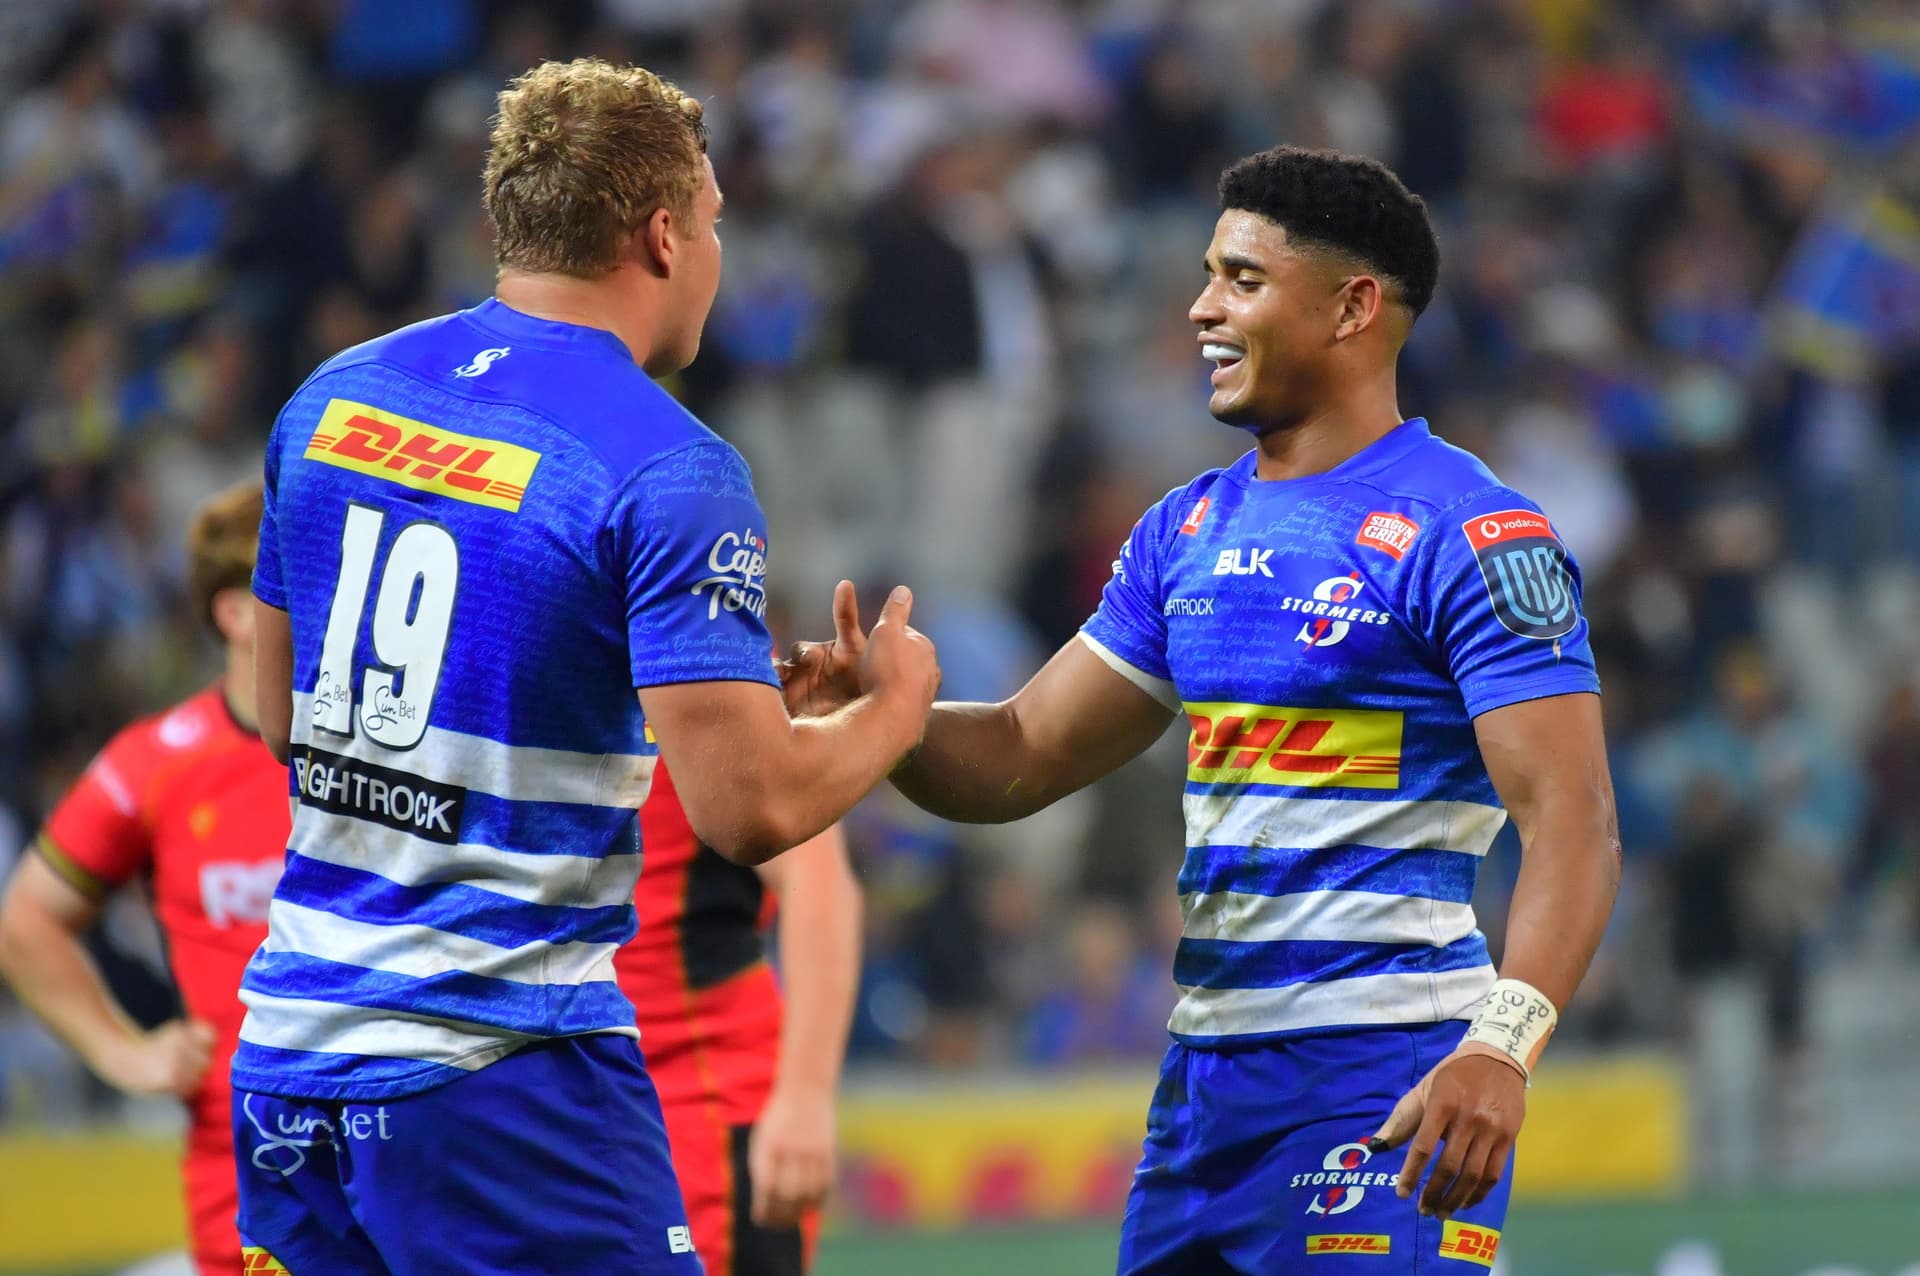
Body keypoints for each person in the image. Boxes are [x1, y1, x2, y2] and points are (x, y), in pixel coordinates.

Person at [785, 146, 1622, 1273]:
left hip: (1387, 1077)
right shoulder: (1186, 530)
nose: (1200, 308)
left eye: (1241, 278)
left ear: (1353, 306)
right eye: (1208, 275)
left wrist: (1503, 1048)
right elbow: (1020, 754)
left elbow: (1572, 819)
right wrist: (883, 718)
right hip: (1204, 1089)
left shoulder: (1472, 533)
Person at [231, 58, 938, 1276]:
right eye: (715, 223)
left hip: (290, 1059)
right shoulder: (671, 465)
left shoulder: (332, 396)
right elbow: (752, 807)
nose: (718, 254)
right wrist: (897, 714)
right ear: (664, 234)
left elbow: (276, 711)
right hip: (504, 1073)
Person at [0, 479, 288, 1276]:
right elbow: (26, 923)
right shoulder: (159, 763)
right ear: (234, 613)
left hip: (406, 1153)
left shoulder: (387, 746)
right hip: (247, 1180)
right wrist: (124, 1053)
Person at [621, 762, 860, 1276]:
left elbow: (818, 880)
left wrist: (805, 1096)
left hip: (702, 1101)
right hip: (557, 1085)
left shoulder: (701, 687)